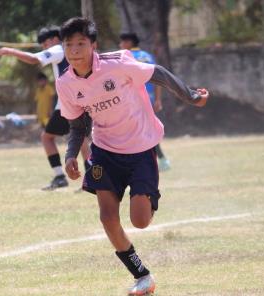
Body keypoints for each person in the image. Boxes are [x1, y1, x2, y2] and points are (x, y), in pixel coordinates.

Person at [56, 17, 208, 295]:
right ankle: (142, 277)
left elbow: (157, 72)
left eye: (81, 43)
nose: (74, 50)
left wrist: (190, 96)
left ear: (93, 45)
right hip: (104, 152)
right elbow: (77, 124)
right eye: (69, 45)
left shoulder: (118, 63)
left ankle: (148, 195)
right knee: (107, 217)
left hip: (140, 148)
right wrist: (70, 154)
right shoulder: (65, 83)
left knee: (140, 220)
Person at [0, 25, 91, 191]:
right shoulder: (72, 50)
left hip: (67, 103)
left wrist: (10, 51)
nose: (44, 48)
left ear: (54, 39)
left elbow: (34, 59)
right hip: (79, 100)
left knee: (49, 138)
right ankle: (90, 177)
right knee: (80, 137)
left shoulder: (58, 48)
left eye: (44, 44)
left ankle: (62, 176)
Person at [119, 32, 170, 171]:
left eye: (122, 42)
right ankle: (160, 160)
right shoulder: (148, 56)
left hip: (133, 100)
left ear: (128, 43)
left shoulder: (126, 58)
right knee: (145, 131)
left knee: (137, 132)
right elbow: (157, 78)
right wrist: (158, 99)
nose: (120, 45)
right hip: (150, 98)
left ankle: (158, 160)